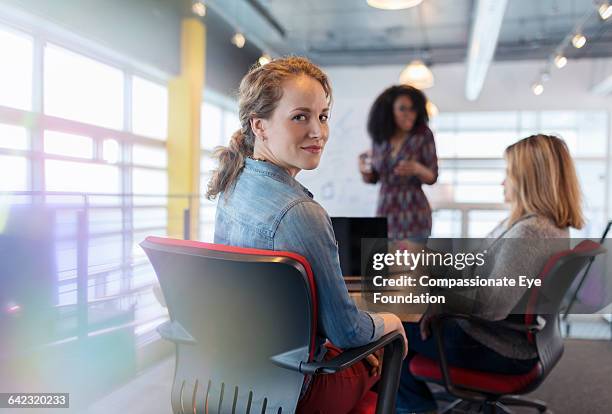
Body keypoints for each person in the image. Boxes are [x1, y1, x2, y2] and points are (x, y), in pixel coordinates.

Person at [206, 56, 407, 414]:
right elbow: (347, 332)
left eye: (323, 116)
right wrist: (389, 322)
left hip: (232, 377)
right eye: (300, 116)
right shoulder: (300, 214)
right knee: (385, 341)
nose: (318, 131)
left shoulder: (232, 186)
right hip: (295, 389)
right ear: (260, 126)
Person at [395, 134, 585, 413]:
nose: (502, 181)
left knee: (387, 329)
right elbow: (483, 270)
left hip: (498, 346)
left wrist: (436, 302)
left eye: (508, 173)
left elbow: (492, 304)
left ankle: (417, 408)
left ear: (529, 180)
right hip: (508, 337)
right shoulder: (539, 225)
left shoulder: (530, 232)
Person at [359, 85, 438, 244]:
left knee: (413, 267)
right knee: (386, 266)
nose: (409, 114)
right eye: (402, 109)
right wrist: (363, 171)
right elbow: (374, 178)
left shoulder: (423, 135)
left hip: (415, 214)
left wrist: (417, 168)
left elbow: (432, 177)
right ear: (389, 111)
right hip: (385, 211)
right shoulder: (380, 138)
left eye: (413, 109)